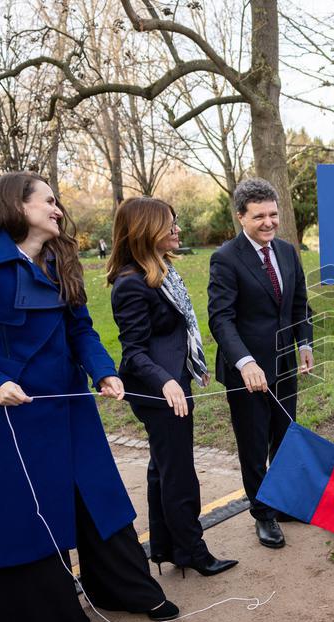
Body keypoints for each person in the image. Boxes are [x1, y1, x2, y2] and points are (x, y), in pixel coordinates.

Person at [0, 172, 178, 622]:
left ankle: (123, 588)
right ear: (19, 206)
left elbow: (81, 331)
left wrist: (105, 371)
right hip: (12, 415)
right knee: (26, 514)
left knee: (97, 496)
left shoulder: (60, 260)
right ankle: (44, 620)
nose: (58, 209)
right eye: (49, 201)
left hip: (72, 406)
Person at [108, 197, 238, 578]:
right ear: (146, 231)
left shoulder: (162, 271)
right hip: (158, 391)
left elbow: (177, 330)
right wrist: (167, 381)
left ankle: (167, 545)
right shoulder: (130, 285)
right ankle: (193, 550)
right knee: (179, 472)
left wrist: (190, 365)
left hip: (174, 381)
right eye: (169, 224)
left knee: (162, 468)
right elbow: (133, 352)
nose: (177, 230)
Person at [208, 177, 314, 549]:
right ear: (241, 217)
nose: (268, 222)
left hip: (285, 363)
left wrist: (305, 342)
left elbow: (300, 303)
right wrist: (245, 361)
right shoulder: (225, 258)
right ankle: (263, 513)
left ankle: (283, 502)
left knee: (285, 437)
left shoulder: (286, 252)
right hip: (247, 371)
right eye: (259, 217)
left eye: (273, 214)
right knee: (254, 444)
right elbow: (220, 318)